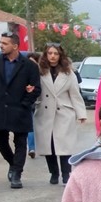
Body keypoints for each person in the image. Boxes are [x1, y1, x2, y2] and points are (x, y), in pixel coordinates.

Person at [0, 31, 41, 189]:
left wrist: (25, 103)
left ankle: (16, 175)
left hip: (20, 109)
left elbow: (36, 88)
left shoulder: (29, 65)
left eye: (5, 43)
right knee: (0, 140)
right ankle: (13, 163)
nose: (1, 45)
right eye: (1, 42)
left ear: (15, 46)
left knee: (20, 142)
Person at [33, 43, 87, 185]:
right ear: (45, 54)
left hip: (63, 112)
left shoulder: (68, 72)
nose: (52, 56)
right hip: (44, 112)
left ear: (60, 55)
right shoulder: (39, 71)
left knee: (64, 145)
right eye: (50, 53)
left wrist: (81, 113)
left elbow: (75, 94)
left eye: (55, 53)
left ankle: (66, 174)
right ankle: (54, 173)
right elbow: (35, 89)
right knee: (48, 145)